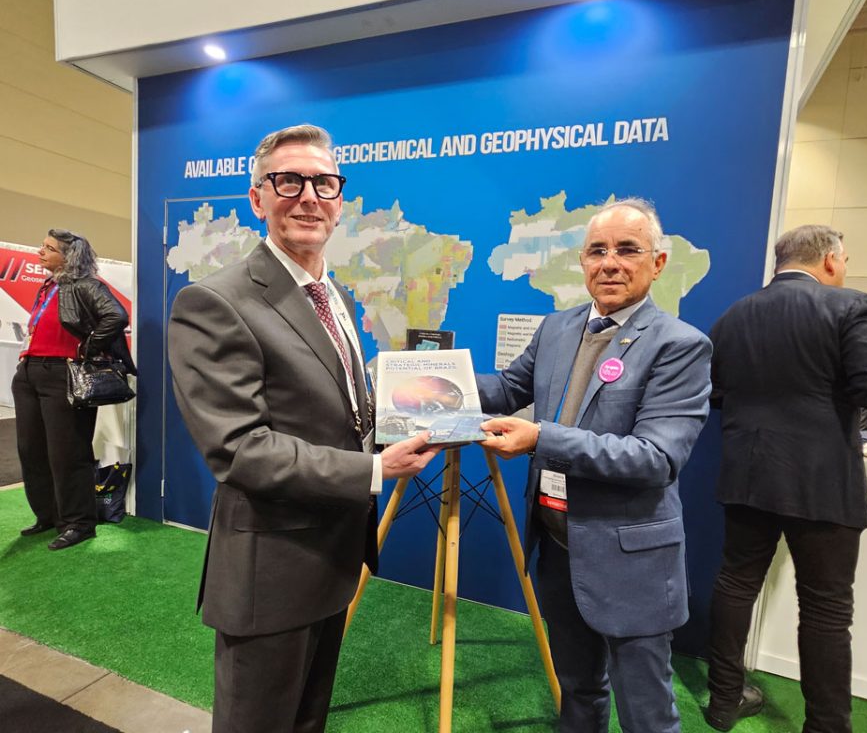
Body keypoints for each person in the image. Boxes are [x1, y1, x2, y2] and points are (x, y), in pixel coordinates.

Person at [168, 123, 438, 733]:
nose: (308, 195)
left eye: (324, 182)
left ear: (341, 202)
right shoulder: (216, 301)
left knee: (308, 719)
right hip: (272, 566)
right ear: (257, 197)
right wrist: (374, 469)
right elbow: (239, 450)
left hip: (332, 557)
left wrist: (411, 419)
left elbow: (338, 410)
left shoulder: (329, 293)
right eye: (288, 180)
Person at [477, 198, 712, 733]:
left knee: (646, 712)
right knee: (578, 691)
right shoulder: (558, 328)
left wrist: (540, 437)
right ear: (582, 262)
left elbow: (656, 458)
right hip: (560, 545)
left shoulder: (680, 346)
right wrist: (435, 384)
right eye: (597, 251)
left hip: (629, 557)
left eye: (627, 250)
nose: (610, 263)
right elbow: (510, 388)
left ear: (658, 262)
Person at [705, 224, 867, 733]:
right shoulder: (849, 306)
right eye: (846, 260)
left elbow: (716, 392)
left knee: (735, 584)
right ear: (830, 260)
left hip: (747, 474)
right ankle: (827, 725)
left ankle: (722, 701)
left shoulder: (732, 315)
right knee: (827, 609)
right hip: (820, 481)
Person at [13, 229, 135, 551]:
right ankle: (50, 516)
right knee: (32, 451)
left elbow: (117, 316)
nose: (41, 251)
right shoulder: (48, 286)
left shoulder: (85, 285)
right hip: (29, 372)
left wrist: (88, 347)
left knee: (67, 453)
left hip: (63, 374)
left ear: (68, 257)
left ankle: (79, 523)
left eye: (49, 248)